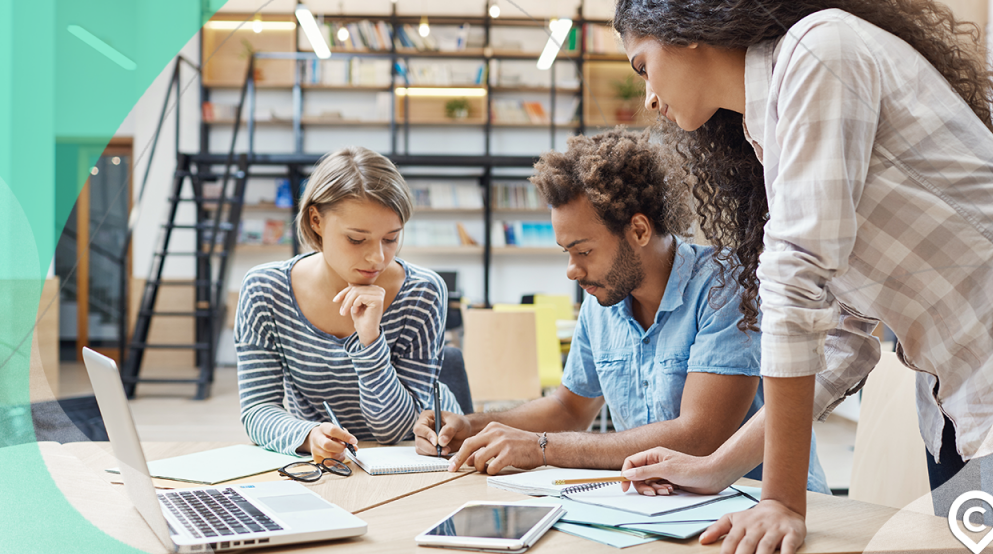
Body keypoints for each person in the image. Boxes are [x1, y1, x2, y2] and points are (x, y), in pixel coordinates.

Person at [612, 1, 993, 554]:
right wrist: (718, 467)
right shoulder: (772, 128)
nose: (649, 96)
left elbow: (795, 277)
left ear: (684, 33)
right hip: (959, 400)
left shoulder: (817, 50)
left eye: (641, 65)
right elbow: (841, 339)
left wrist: (780, 499)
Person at [412, 128, 829, 494]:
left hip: (756, 501)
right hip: (664, 505)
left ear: (639, 230)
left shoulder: (723, 285)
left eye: (583, 251)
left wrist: (541, 447)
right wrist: (474, 426)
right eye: (567, 253)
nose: (573, 270)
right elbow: (570, 408)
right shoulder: (604, 299)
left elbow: (699, 436)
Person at [234, 147, 462, 463]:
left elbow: (394, 430)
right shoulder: (265, 289)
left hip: (412, 458)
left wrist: (370, 340)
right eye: (357, 239)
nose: (378, 258)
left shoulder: (423, 292)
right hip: (328, 461)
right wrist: (306, 435)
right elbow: (258, 408)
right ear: (315, 220)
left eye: (391, 238)